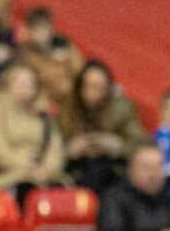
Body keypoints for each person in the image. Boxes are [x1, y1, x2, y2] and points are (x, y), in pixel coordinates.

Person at [0, 61, 64, 198]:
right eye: (20, 83)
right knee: (27, 190)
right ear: (7, 85)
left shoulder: (43, 114)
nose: (26, 88)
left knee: (60, 192)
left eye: (30, 83)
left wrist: (48, 169)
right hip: (4, 177)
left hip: (41, 176)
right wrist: (27, 168)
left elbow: (55, 149)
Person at [60, 59, 144, 193]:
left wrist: (115, 145)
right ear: (80, 87)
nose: (95, 92)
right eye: (90, 86)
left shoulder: (122, 110)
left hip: (113, 171)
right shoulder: (67, 112)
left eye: (101, 87)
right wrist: (72, 149)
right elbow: (53, 152)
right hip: (76, 171)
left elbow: (140, 146)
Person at [15, 6, 81, 109]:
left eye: (44, 27)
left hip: (74, 96)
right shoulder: (25, 54)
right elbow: (31, 85)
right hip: (50, 104)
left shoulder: (63, 43)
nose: (41, 33)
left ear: (52, 28)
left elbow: (80, 68)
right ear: (29, 31)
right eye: (36, 29)